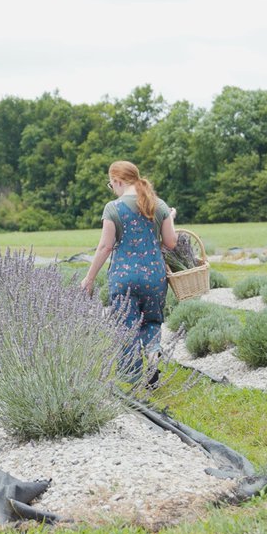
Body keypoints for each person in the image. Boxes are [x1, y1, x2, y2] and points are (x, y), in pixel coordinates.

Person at [80, 160, 177, 383]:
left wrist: (90, 278)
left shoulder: (113, 208)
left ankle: (131, 379)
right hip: (154, 276)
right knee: (152, 321)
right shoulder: (158, 205)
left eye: (111, 184)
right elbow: (171, 242)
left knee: (126, 325)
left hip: (124, 278)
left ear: (118, 181)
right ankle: (153, 358)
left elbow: (105, 247)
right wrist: (170, 218)